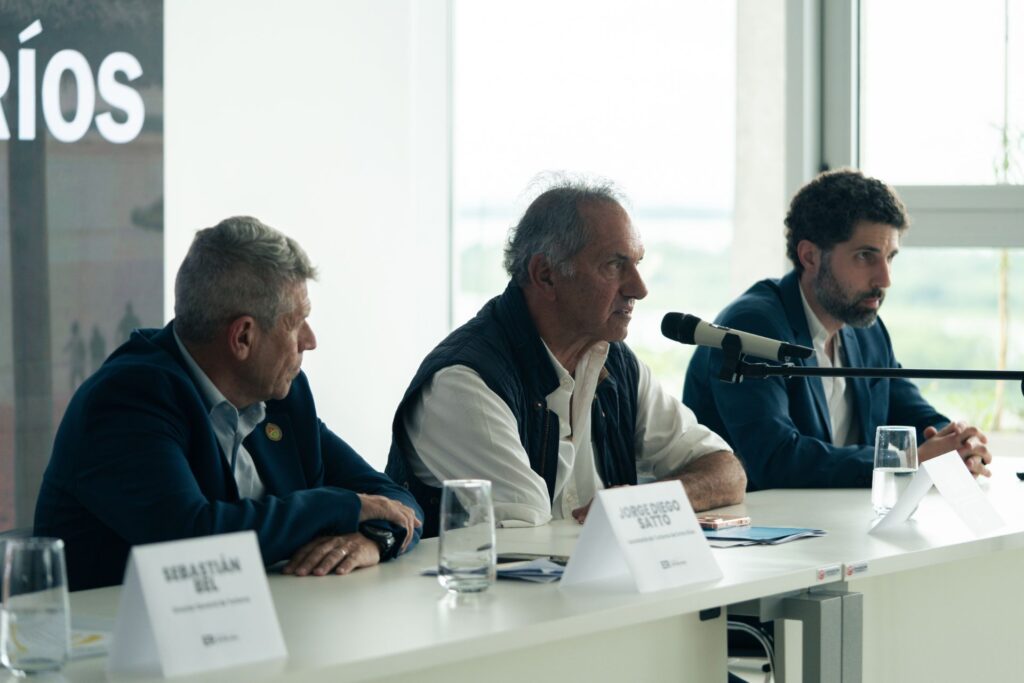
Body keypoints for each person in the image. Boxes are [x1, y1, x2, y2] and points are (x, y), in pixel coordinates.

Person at [35, 216, 422, 590]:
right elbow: (192, 542)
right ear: (242, 338)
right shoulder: (127, 401)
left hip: (266, 621)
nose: (310, 340)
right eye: (296, 323)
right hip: (113, 632)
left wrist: (375, 539)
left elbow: (394, 500)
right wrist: (339, 507)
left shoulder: (282, 395)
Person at [386, 180, 746, 536]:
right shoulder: (465, 381)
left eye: (637, 263)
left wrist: (645, 501)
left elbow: (727, 472)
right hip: (492, 578)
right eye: (614, 265)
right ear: (545, 275)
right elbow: (529, 534)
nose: (639, 288)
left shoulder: (617, 364)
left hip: (593, 574)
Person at [683, 169, 991, 490]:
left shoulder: (866, 327)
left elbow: (910, 412)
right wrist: (905, 458)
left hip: (838, 514)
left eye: (890, 257)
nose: (885, 279)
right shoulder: (752, 328)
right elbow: (776, 459)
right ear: (810, 257)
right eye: (865, 256)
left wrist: (957, 443)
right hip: (757, 519)